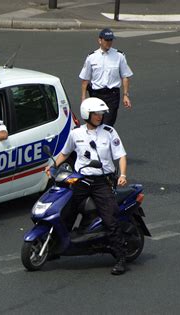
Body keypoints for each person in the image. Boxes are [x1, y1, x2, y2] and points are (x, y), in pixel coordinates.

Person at [46, 97, 128, 275]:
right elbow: (65, 153)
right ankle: (56, 247)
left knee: (109, 218)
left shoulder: (109, 132)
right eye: (96, 114)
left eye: (101, 113)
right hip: (81, 179)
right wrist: (52, 167)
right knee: (66, 211)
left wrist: (122, 175)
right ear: (87, 115)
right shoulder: (76, 134)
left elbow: (120, 155)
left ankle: (121, 257)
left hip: (102, 181)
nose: (100, 117)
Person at [79, 28, 133, 126]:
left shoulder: (119, 56)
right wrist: (83, 98)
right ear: (100, 40)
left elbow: (125, 76)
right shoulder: (91, 57)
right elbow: (85, 79)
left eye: (110, 40)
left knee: (107, 125)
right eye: (106, 40)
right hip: (96, 95)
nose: (109, 42)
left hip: (112, 96)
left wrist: (126, 95)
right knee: (95, 124)